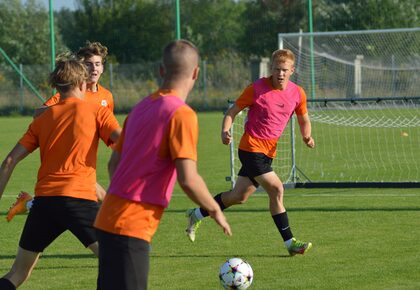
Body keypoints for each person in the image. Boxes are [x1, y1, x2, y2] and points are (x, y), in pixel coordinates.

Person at [94, 39, 232, 290]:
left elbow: (114, 164)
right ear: (196, 73)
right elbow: (188, 178)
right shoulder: (181, 114)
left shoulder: (140, 108)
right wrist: (215, 209)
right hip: (131, 226)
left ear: (160, 70)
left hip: (107, 219)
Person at [0, 53, 121, 289]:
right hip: (79, 200)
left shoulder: (42, 120)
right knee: (117, 261)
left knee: (17, 273)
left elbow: (8, 161)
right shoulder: (97, 111)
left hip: (45, 203)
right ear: (81, 82)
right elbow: (125, 142)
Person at [185, 49, 315, 256]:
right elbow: (233, 111)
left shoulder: (298, 93)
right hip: (250, 148)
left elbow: (304, 118)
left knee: (238, 196)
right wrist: (225, 130)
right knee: (276, 189)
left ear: (292, 70)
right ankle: (290, 242)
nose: (279, 74)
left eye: (284, 70)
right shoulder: (256, 89)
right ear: (270, 69)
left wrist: (306, 136)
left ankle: (197, 214)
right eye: (276, 69)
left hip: (268, 152)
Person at [6, 41, 114, 222]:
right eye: (88, 64)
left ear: (103, 67)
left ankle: (28, 203)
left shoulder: (107, 96)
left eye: (97, 64)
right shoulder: (69, 90)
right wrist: (72, 109)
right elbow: (39, 113)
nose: (93, 68)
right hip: (66, 157)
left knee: (79, 204)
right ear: (82, 67)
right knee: (101, 202)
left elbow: (105, 127)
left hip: (84, 158)